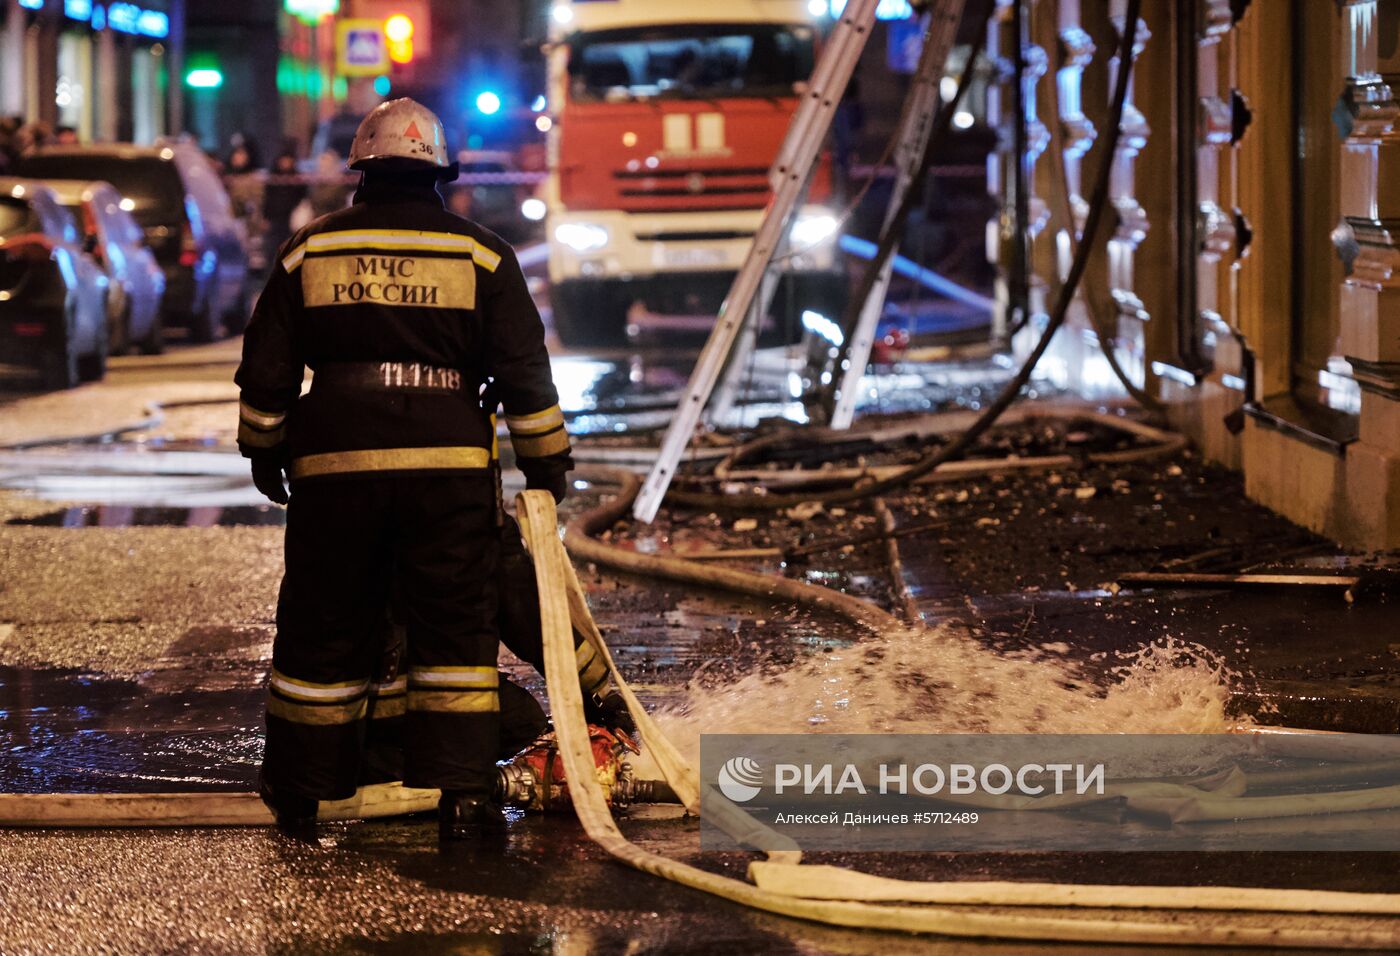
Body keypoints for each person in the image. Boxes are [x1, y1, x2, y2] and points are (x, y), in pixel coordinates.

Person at [235, 98, 574, 841]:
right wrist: (548, 467)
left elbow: (267, 371)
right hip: (448, 470)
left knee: (324, 626)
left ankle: (301, 792)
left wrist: (263, 448)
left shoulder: (309, 252)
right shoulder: (482, 256)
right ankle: (464, 795)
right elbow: (525, 374)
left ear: (360, 171)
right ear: (442, 176)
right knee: (455, 631)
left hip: (333, 467)